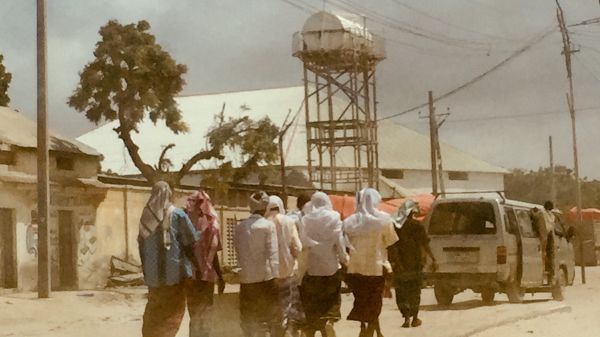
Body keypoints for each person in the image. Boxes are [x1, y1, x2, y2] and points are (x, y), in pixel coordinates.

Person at [138, 181, 200, 337]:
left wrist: (146, 271)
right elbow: (190, 244)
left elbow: (141, 246)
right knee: (172, 314)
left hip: (153, 279)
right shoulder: (177, 215)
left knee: (155, 314)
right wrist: (197, 267)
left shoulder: (146, 216)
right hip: (175, 276)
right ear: (168, 194)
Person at [343, 188, 399, 337]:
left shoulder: (349, 221)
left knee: (362, 300)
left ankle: (369, 329)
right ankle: (370, 331)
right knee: (374, 303)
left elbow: (345, 245)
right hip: (376, 268)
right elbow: (391, 242)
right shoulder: (384, 220)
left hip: (355, 268)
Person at [299, 192, 348, 337]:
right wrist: (344, 259)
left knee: (313, 306)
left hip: (312, 269)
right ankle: (329, 323)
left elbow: (303, 245)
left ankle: (312, 330)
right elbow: (340, 246)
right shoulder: (334, 218)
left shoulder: (305, 220)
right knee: (332, 302)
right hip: (331, 268)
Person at [234, 191, 280, 337]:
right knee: (265, 319)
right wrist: (277, 276)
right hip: (265, 279)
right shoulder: (268, 226)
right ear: (265, 207)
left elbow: (237, 250)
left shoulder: (240, 227)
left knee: (248, 319)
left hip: (246, 280)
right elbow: (273, 253)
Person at [388, 199, 437, 329]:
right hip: (415, 264)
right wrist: (433, 259)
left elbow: (391, 247)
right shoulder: (417, 226)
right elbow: (425, 244)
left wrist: (394, 262)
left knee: (401, 291)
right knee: (415, 291)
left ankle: (406, 317)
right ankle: (415, 318)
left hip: (400, 265)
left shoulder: (395, 227)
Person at [183, 190, 225, 337]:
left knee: (195, 314)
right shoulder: (212, 223)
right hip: (205, 276)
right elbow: (214, 254)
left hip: (191, 276)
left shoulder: (185, 221)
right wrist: (220, 276)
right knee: (204, 313)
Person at [267, 195, 304, 337]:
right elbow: (298, 247)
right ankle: (288, 330)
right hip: (288, 273)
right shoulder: (289, 221)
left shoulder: (264, 222)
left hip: (270, 276)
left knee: (274, 310)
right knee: (290, 308)